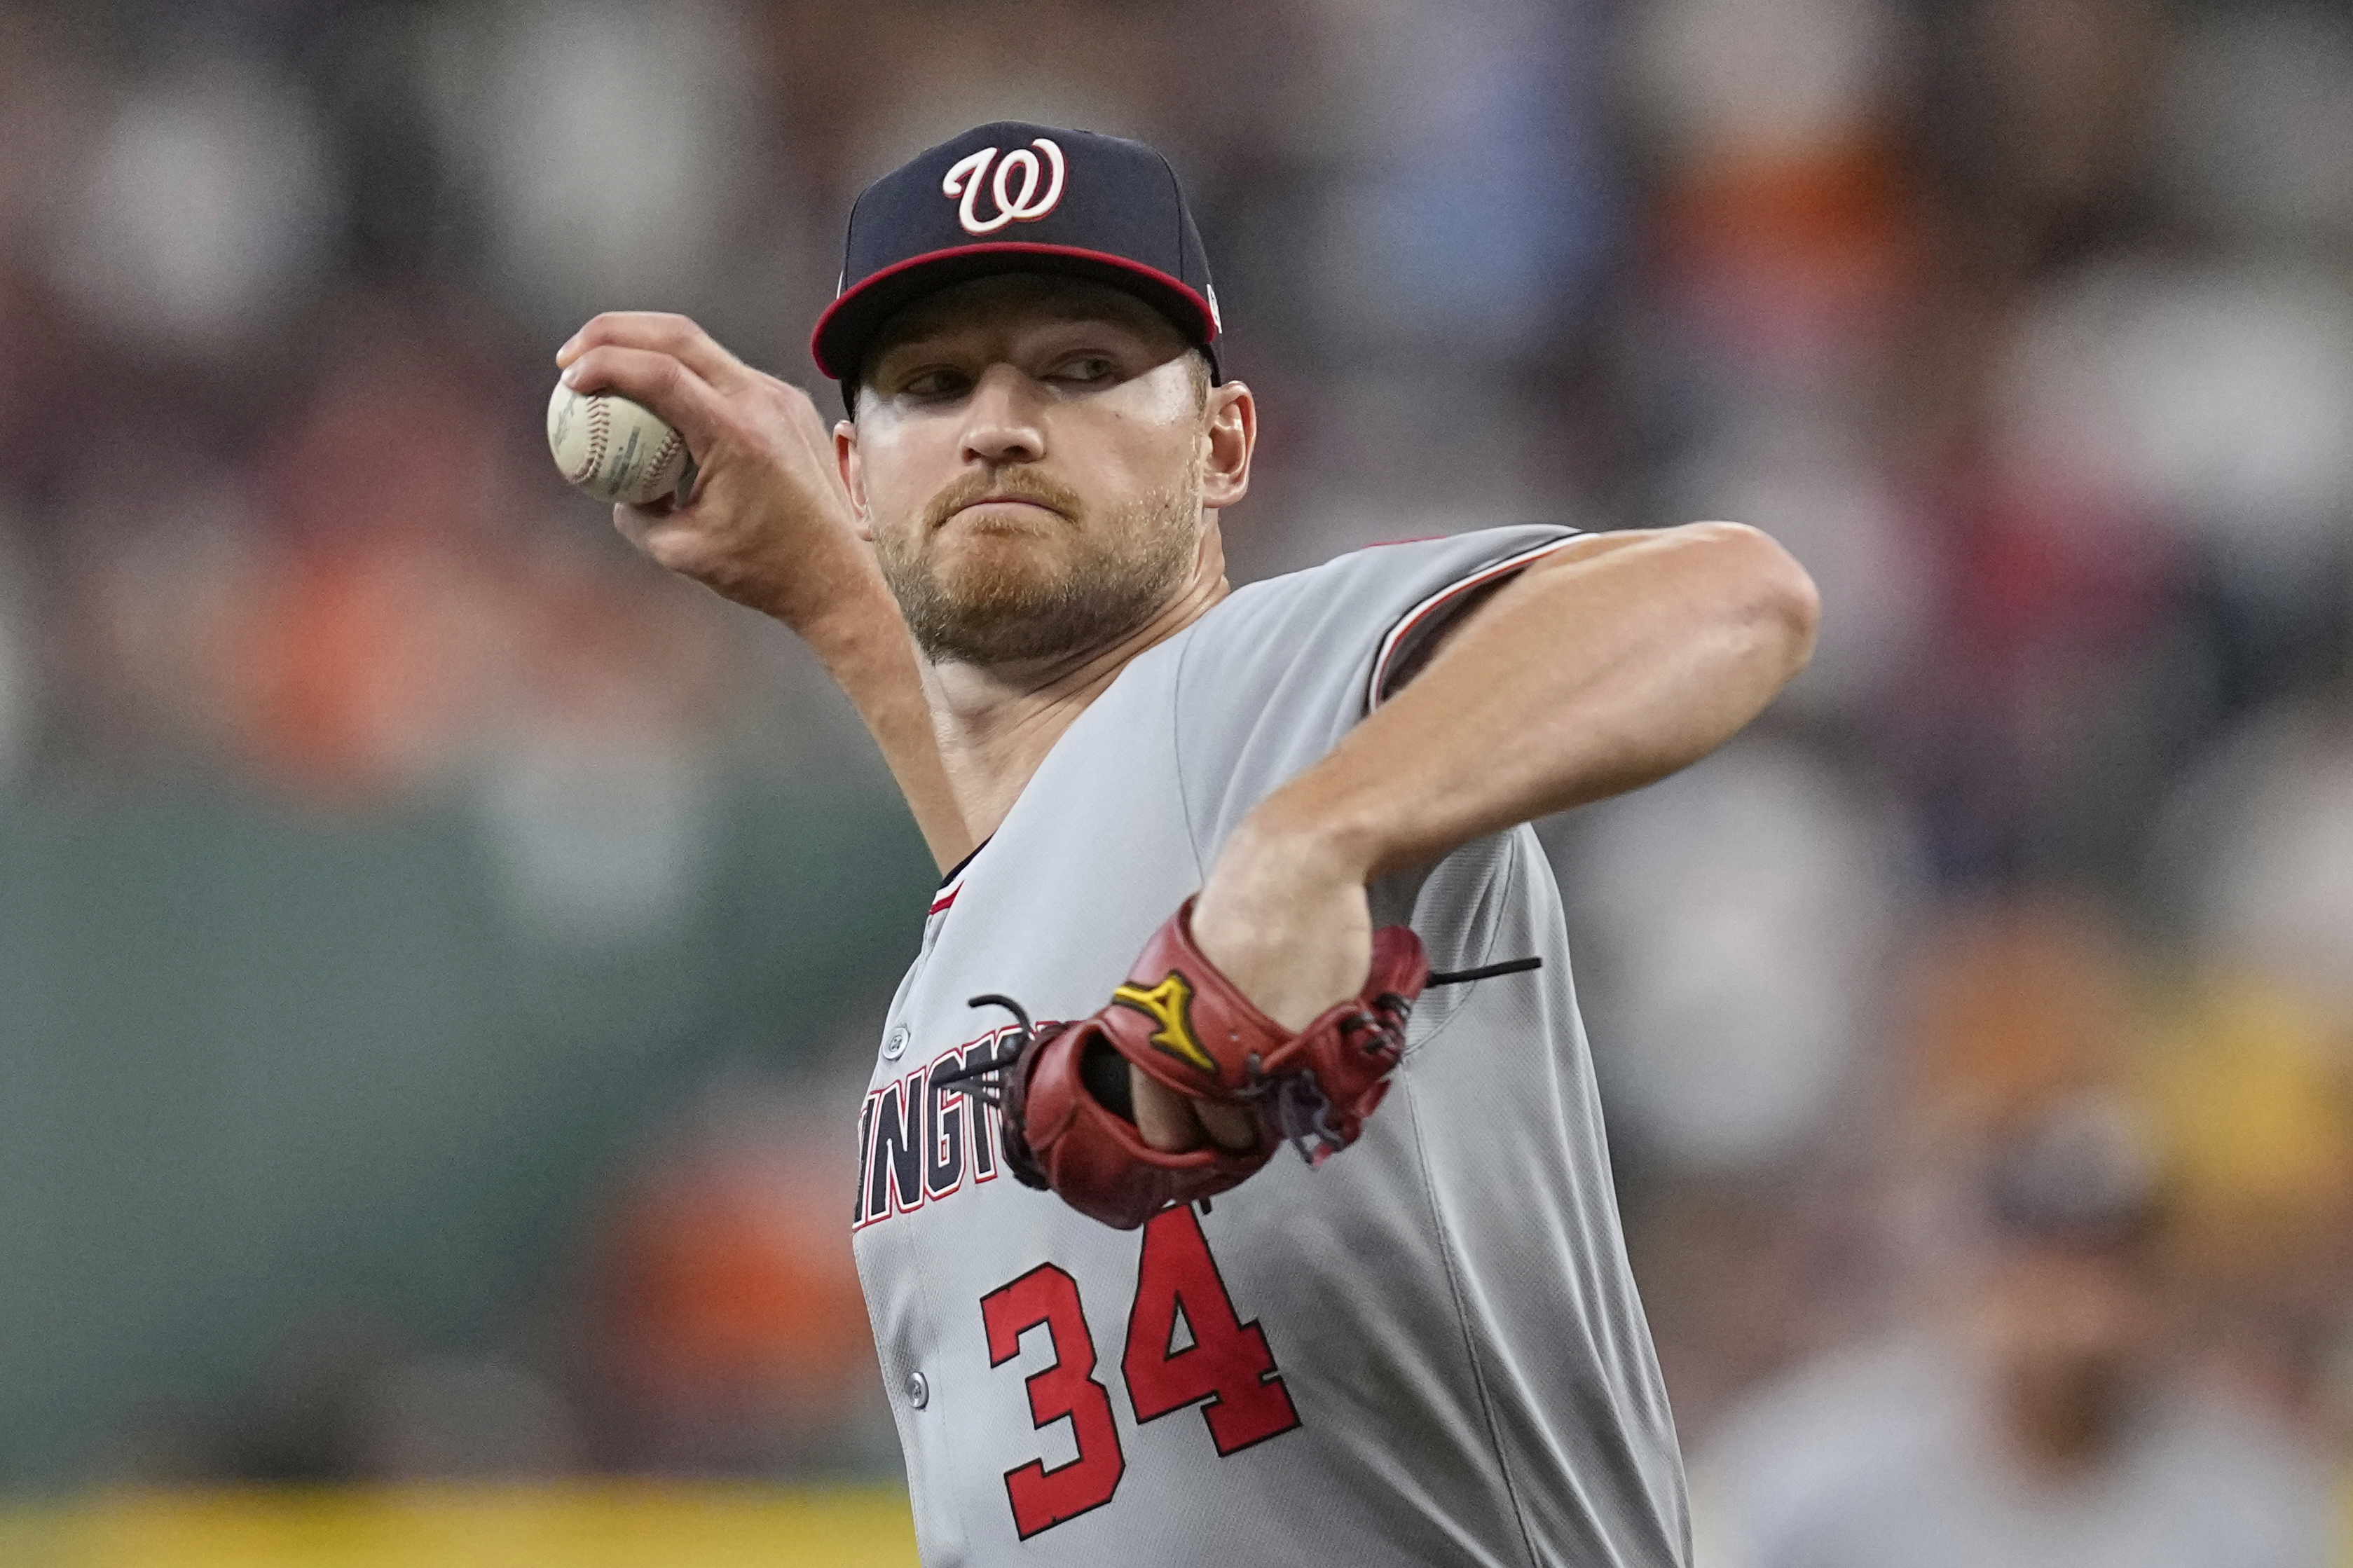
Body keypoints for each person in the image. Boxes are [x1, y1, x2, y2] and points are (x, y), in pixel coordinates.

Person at [556, 121, 1817, 1567]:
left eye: (1082, 369)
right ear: (851, 467)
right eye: (931, 383)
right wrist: (836, 604)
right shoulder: (969, 932)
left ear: (1222, 443)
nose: (999, 423)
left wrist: (1315, 841)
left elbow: (1733, 594)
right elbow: (1039, 863)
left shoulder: (1272, 686)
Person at [1696, 1094, 2335, 1568]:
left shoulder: (2250, 1494)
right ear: (1980, 1276)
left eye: (2118, 1276)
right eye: (2050, 1271)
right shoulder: (1809, 1473)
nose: (2086, 1319)